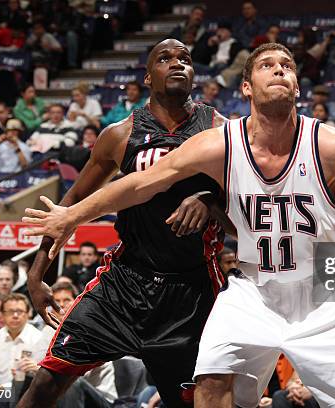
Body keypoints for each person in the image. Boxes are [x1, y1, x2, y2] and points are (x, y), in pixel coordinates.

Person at [23, 42, 335, 408]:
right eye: (267, 65)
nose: (280, 70)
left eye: (287, 65)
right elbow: (140, 185)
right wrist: (72, 214)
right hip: (253, 290)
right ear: (247, 86)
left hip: (325, 291)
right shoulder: (218, 143)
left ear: (297, 85)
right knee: (211, 388)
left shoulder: (333, 145)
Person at [16, 39, 228, 408]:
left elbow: (250, 202)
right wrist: (36, 277)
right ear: (148, 77)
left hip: (190, 291)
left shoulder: (220, 130)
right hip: (124, 285)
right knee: (45, 384)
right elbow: (70, 206)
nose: (177, 64)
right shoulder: (119, 135)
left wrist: (210, 200)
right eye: (165, 59)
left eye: (185, 59)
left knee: (190, 403)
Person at [34, 282, 119, 406]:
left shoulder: (88, 327)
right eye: (56, 300)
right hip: (65, 391)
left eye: (66, 300)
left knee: (69, 384)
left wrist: (41, 371)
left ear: (77, 301)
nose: (61, 305)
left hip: (101, 399)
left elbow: (76, 372)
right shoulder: (48, 330)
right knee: (23, 380)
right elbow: (36, 361)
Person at [0, 293, 42, 389]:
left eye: (20, 311)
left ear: (28, 313)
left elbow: (42, 377)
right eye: (10, 311)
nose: (15, 316)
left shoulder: (39, 339)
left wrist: (1, 388)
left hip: (27, 393)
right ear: (3, 314)